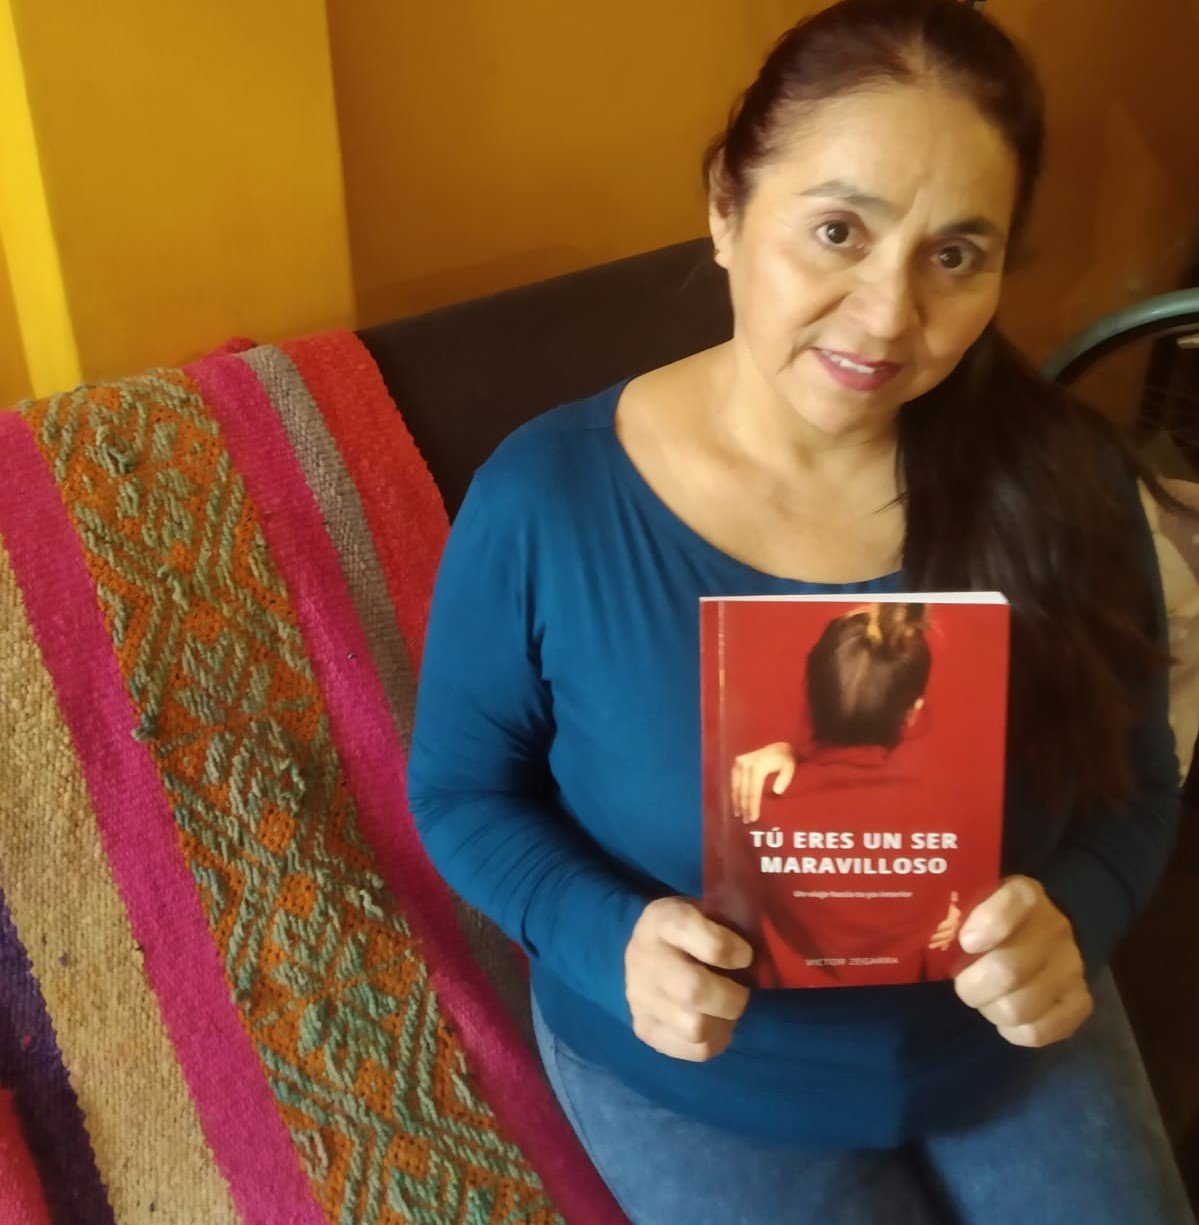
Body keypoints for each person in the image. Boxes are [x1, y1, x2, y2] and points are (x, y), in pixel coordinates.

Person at [406, 1, 1194, 1220]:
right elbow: (461, 791)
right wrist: (607, 939)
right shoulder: (547, 500)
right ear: (726, 207)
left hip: (1004, 1044)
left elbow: (1135, 780)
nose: (886, 317)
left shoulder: (1065, 482)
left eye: (954, 255)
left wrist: (1075, 916)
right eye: (837, 231)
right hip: (699, 1076)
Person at [729, 602, 964, 987]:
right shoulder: (938, 807)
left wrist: (793, 753)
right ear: (912, 714)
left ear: (811, 696)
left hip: (780, 1006)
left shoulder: (755, 796)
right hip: (906, 1006)